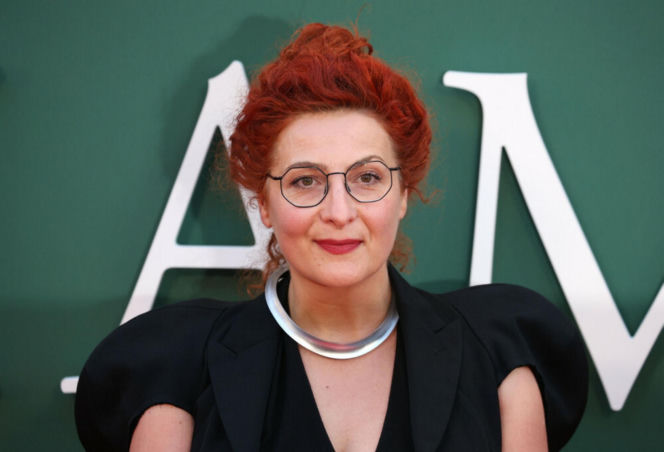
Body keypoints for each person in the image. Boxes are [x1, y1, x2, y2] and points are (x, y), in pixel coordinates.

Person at [75, 23, 588, 452]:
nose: (339, 212)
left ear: (403, 193)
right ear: (264, 203)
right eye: (305, 181)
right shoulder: (180, 366)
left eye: (367, 177)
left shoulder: (496, 357)